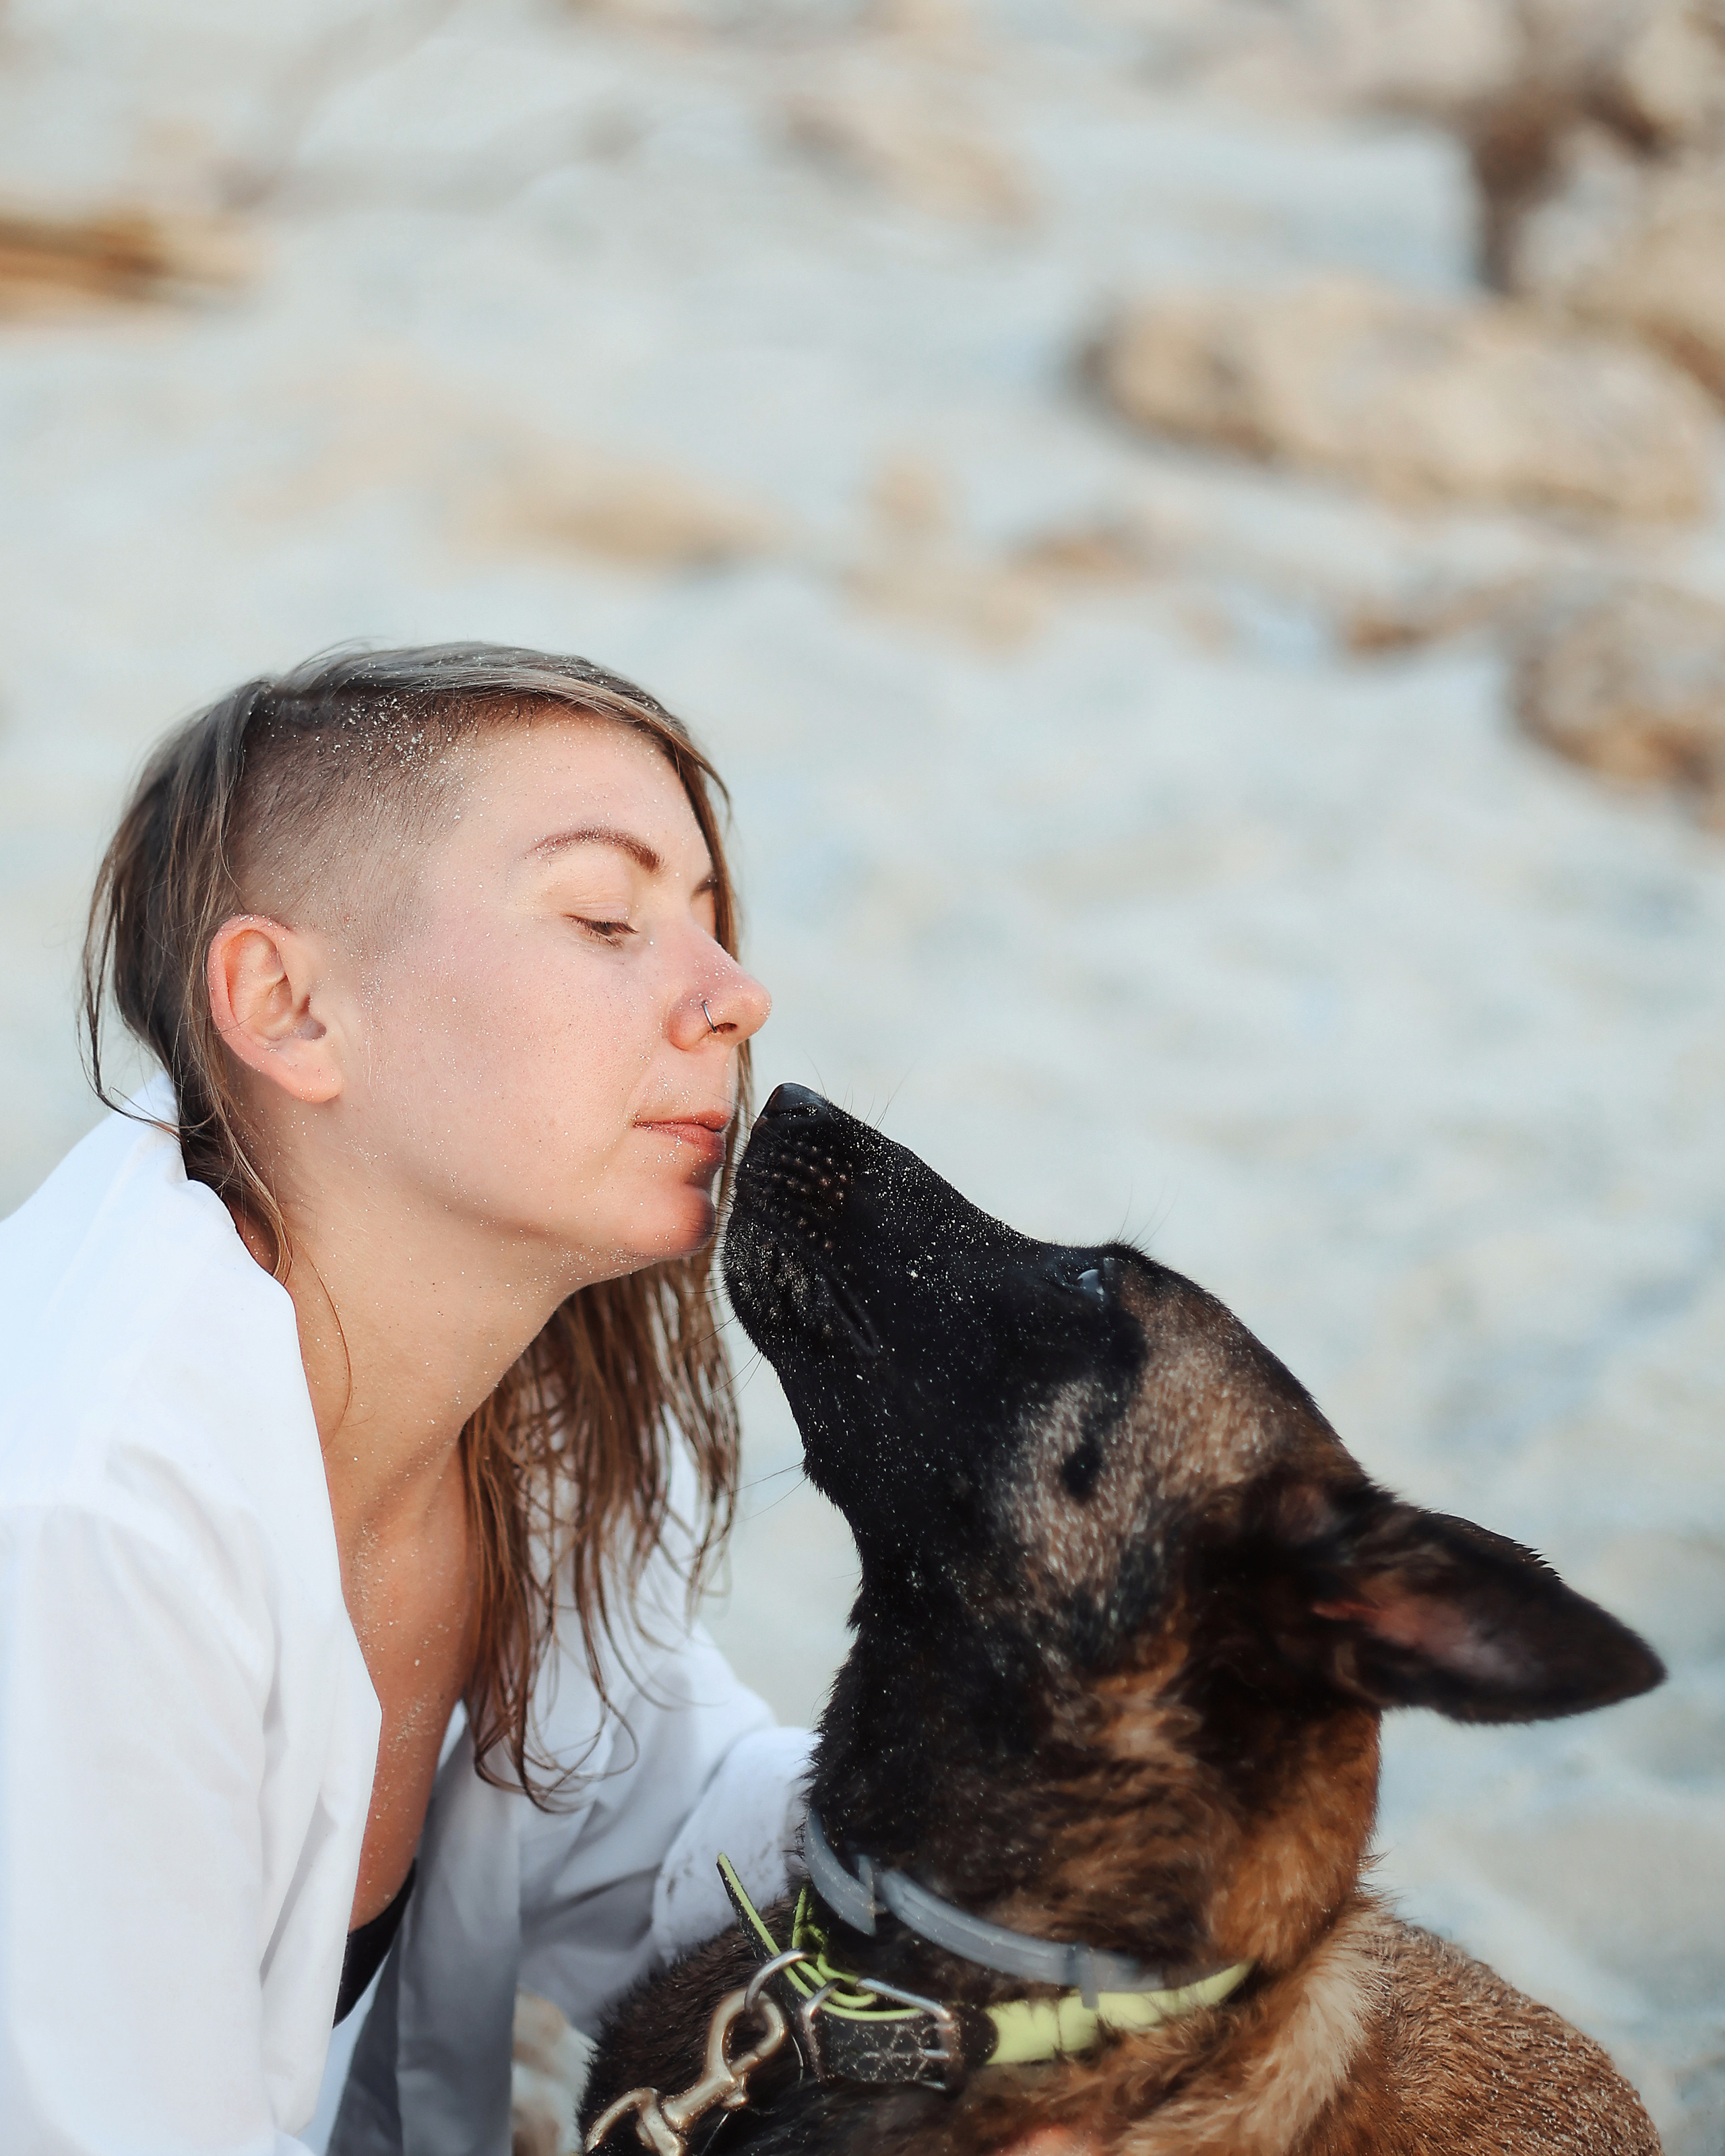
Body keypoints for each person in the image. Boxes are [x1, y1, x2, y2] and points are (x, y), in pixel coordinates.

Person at [0, 645, 813, 2156]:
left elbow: (670, 1837)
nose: (735, 995)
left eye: (710, 920)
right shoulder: (92, 1516)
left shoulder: (518, 1401)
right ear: (289, 1006)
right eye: (604, 917)